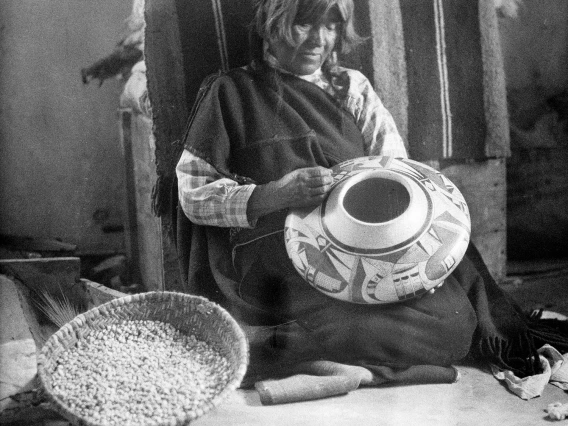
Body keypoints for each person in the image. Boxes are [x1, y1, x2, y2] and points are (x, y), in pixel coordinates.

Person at [175, 0, 567, 386]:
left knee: (454, 325)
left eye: (330, 26)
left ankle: (292, 350)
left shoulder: (351, 88)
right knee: (378, 325)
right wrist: (275, 192)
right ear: (271, 24)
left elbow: (399, 169)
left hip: (366, 254)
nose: (319, 39)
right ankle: (283, 345)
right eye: (304, 24)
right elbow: (193, 193)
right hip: (282, 258)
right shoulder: (229, 92)